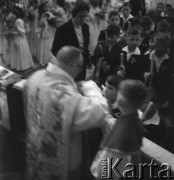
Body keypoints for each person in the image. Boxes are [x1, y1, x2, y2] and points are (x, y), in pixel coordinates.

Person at [24, 46, 108, 180]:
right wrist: (90, 86)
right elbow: (99, 111)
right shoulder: (67, 98)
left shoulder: (34, 77)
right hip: (60, 161)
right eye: (80, 68)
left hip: (36, 147)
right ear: (74, 66)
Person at [91, 79, 147, 179]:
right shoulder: (134, 119)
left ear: (122, 101)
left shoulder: (125, 128)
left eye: (120, 94)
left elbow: (107, 165)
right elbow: (136, 153)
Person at [51, 1, 90, 80]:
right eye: (81, 16)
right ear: (74, 15)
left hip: (81, 66)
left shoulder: (86, 27)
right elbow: (55, 50)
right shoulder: (62, 29)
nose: (83, 19)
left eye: (85, 16)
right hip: (68, 67)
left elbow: (85, 45)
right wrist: (68, 59)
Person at [6, 6, 34, 71]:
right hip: (17, 38)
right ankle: (17, 65)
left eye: (13, 13)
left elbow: (22, 32)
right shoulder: (16, 20)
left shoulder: (18, 20)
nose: (11, 15)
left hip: (19, 39)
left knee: (19, 52)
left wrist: (12, 33)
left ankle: (21, 66)